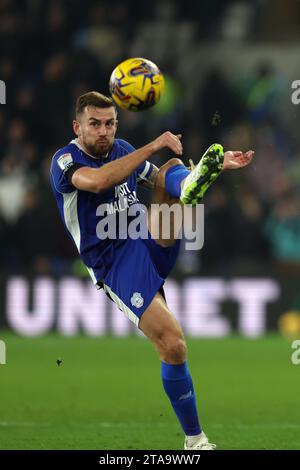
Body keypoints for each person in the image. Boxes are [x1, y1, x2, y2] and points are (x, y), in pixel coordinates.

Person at [50, 91, 254, 450]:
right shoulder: (65, 160)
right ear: (76, 126)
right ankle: (196, 440)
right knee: (173, 344)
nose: (103, 131)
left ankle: (193, 185)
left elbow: (158, 179)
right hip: (114, 263)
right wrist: (154, 143)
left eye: (110, 123)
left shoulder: (123, 148)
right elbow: (98, 182)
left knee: (172, 171)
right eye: (94, 124)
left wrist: (213, 169)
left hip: (148, 237)